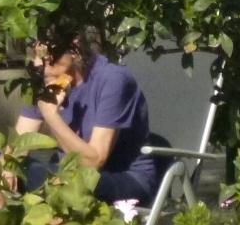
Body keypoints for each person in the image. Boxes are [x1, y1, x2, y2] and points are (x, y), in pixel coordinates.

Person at [17, 26, 160, 205]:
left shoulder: (112, 79)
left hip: (124, 177)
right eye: (35, 55)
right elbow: (16, 148)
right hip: (66, 175)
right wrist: (3, 173)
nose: (38, 64)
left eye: (45, 55)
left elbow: (93, 162)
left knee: (65, 187)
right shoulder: (44, 80)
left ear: (74, 48)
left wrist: (51, 116)